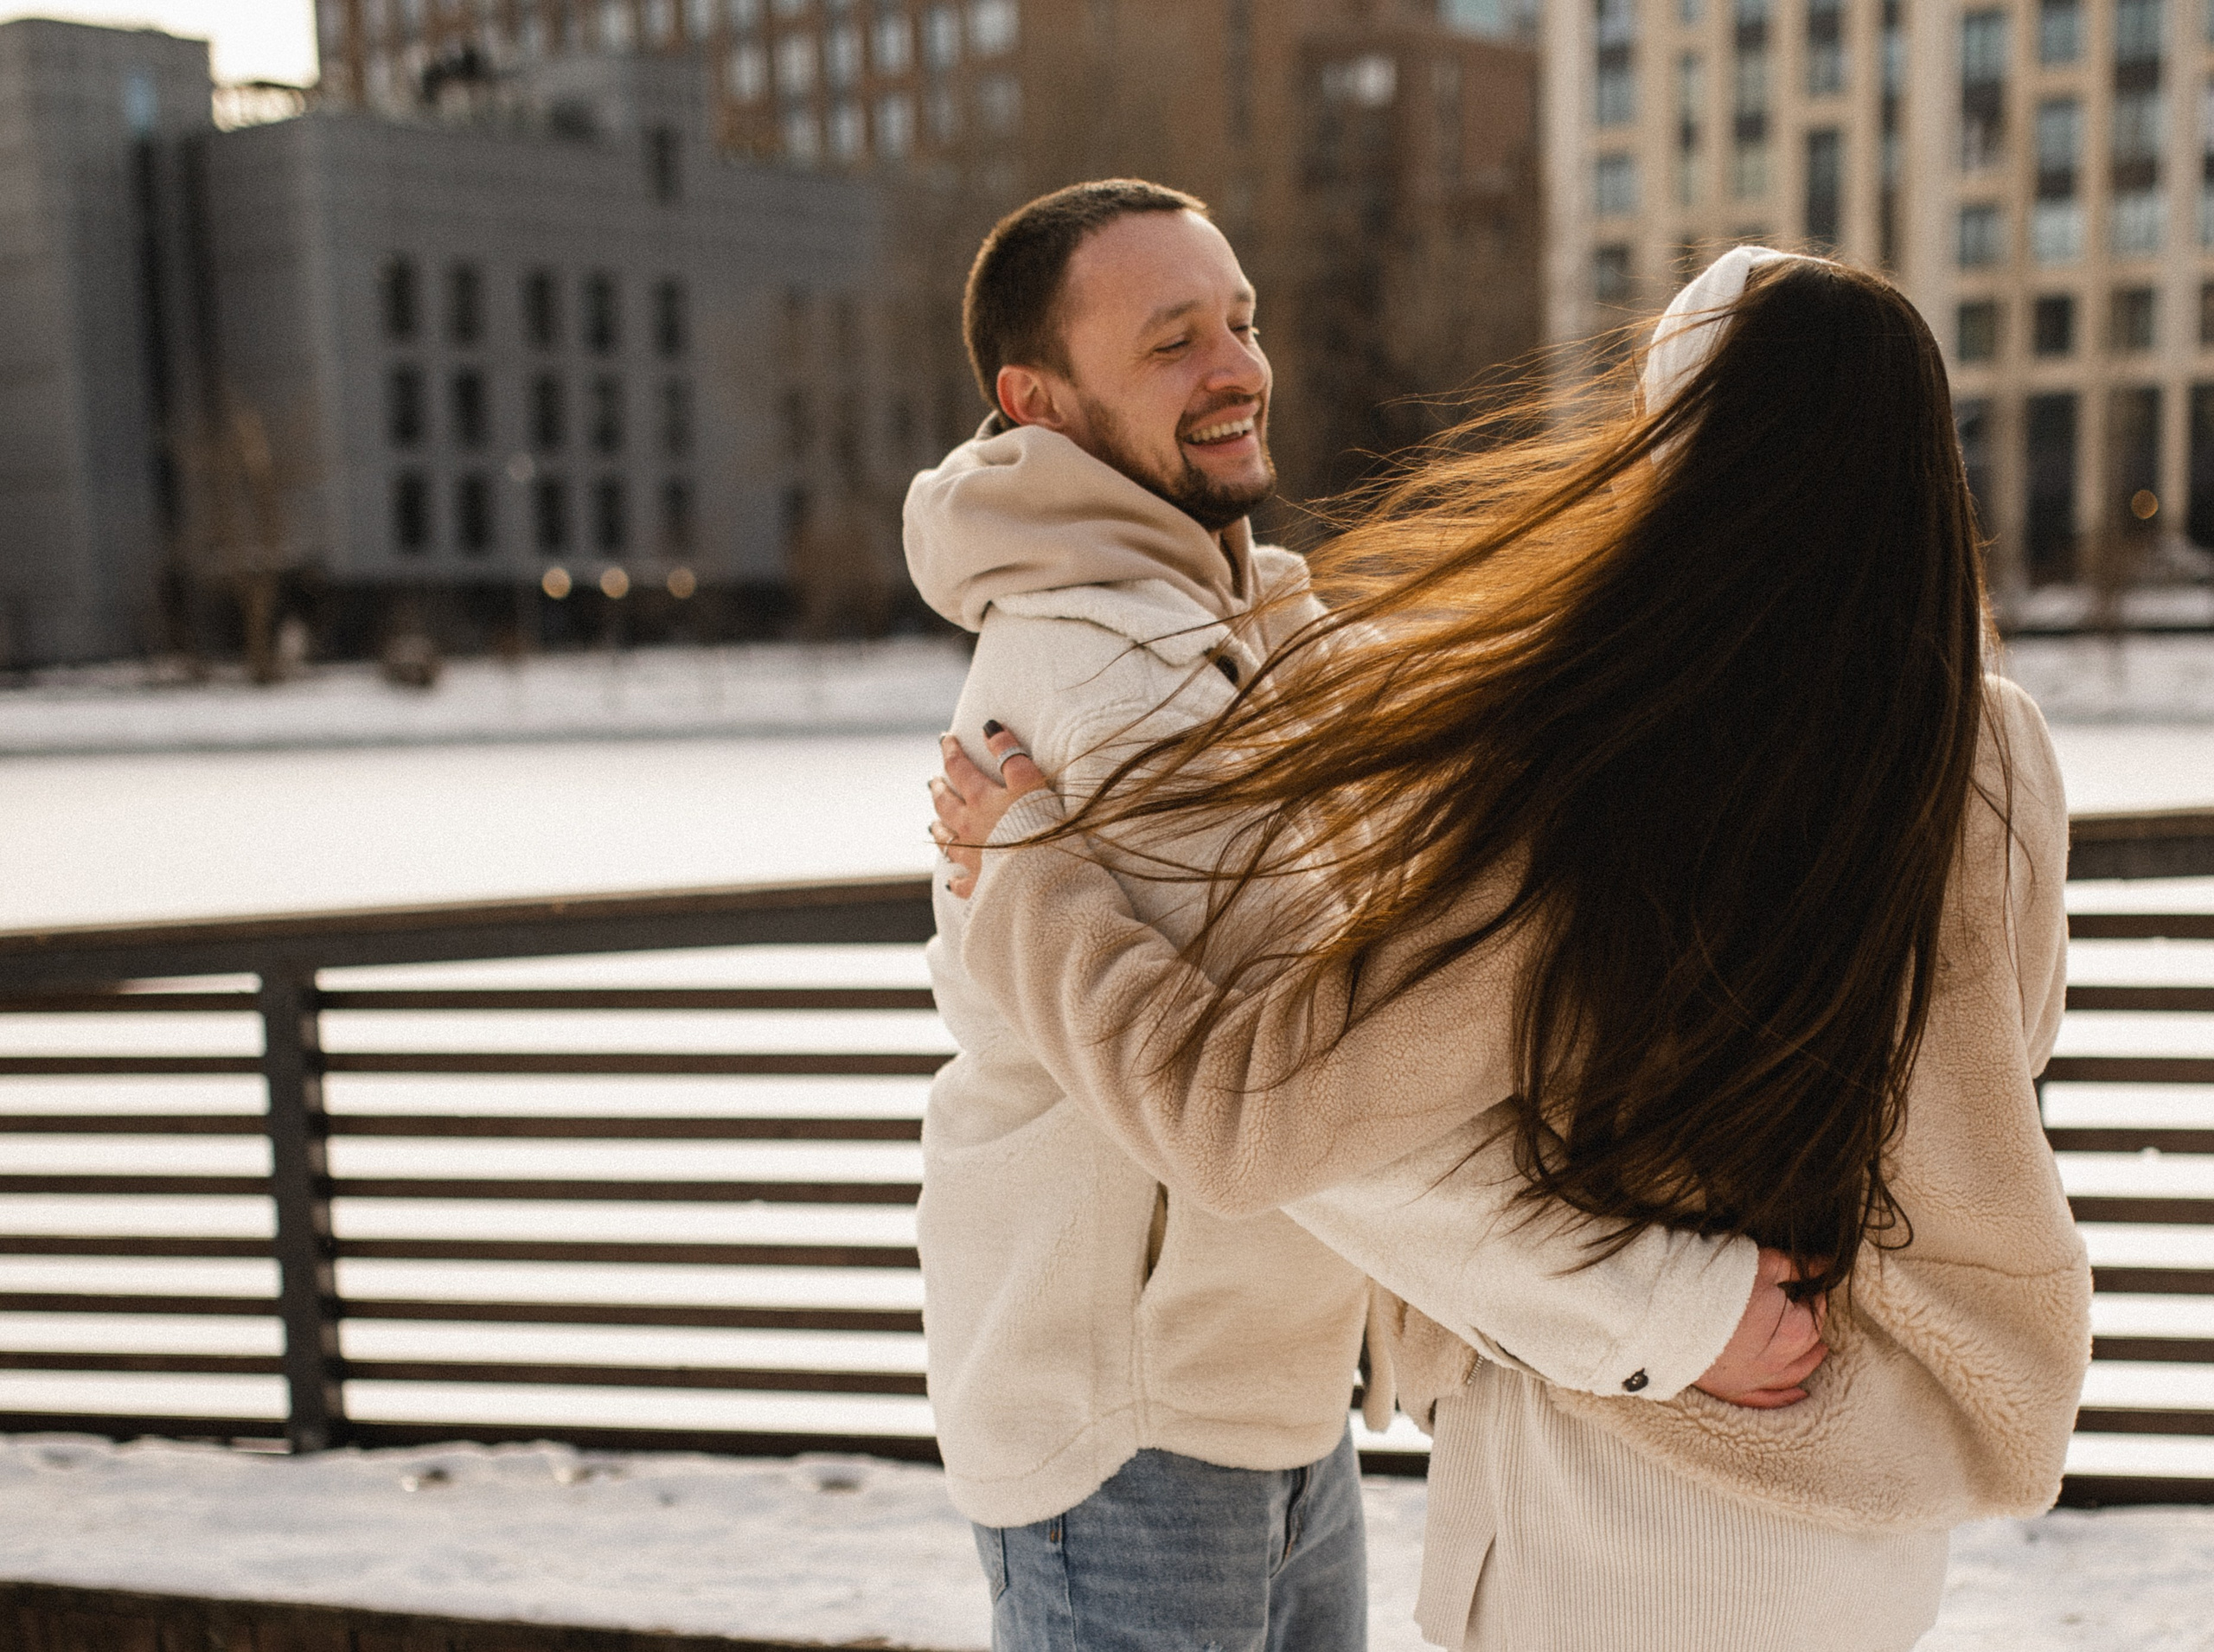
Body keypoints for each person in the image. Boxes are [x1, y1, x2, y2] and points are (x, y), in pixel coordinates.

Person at [928, 247, 2091, 1650]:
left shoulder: (1588, 767)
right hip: (1857, 1503)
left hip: (1601, 1516)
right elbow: (2003, 1052)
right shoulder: (1998, 753)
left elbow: (1246, 1116)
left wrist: (1032, 881)